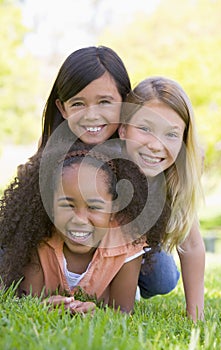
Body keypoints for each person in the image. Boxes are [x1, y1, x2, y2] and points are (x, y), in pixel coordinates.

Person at [36, 45, 181, 299]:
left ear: (124, 101)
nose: (92, 115)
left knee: (162, 277)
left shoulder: (136, 142)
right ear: (63, 108)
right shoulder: (57, 151)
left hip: (126, 238)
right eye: (78, 103)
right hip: (74, 232)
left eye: (105, 102)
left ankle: (118, 279)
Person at [0, 141, 153, 314]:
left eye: (94, 207)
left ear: (113, 210)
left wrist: (98, 314)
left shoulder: (127, 244)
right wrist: (43, 306)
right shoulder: (36, 236)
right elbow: (28, 301)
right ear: (50, 207)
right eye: (67, 205)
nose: (79, 219)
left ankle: (136, 291)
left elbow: (123, 312)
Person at [118, 76, 205, 321]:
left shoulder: (175, 177)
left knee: (162, 277)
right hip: (95, 244)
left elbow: (193, 245)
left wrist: (195, 315)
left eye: (171, 134)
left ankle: (133, 281)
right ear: (123, 128)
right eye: (145, 129)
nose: (156, 145)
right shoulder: (103, 164)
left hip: (141, 246)